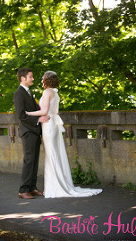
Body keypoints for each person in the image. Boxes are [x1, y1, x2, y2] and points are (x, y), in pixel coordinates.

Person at [25, 71, 102, 198]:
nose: (41, 80)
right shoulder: (55, 93)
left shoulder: (47, 92)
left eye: (43, 78)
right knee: (55, 153)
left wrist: (28, 113)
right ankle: (58, 184)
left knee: (51, 155)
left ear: (47, 80)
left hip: (49, 125)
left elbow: (44, 111)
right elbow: (54, 111)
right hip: (54, 124)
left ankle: (55, 187)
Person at [13, 67, 49, 199]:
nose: (33, 79)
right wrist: (38, 119)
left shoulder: (28, 92)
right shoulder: (19, 94)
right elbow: (21, 115)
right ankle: (23, 190)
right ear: (23, 78)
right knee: (29, 160)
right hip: (27, 131)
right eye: (30, 77)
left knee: (34, 160)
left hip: (34, 131)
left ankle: (32, 187)